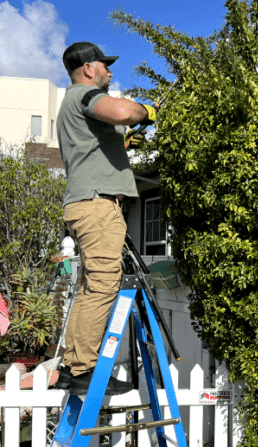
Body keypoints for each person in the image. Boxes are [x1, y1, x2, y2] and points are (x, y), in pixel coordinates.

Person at [53, 42, 155, 395]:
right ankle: (84, 370)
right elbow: (125, 112)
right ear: (87, 69)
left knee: (89, 286)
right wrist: (147, 112)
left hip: (86, 202)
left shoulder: (73, 106)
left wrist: (124, 146)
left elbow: (92, 148)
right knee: (104, 284)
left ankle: (70, 366)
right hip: (97, 205)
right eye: (105, 66)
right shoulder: (84, 96)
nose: (110, 73)